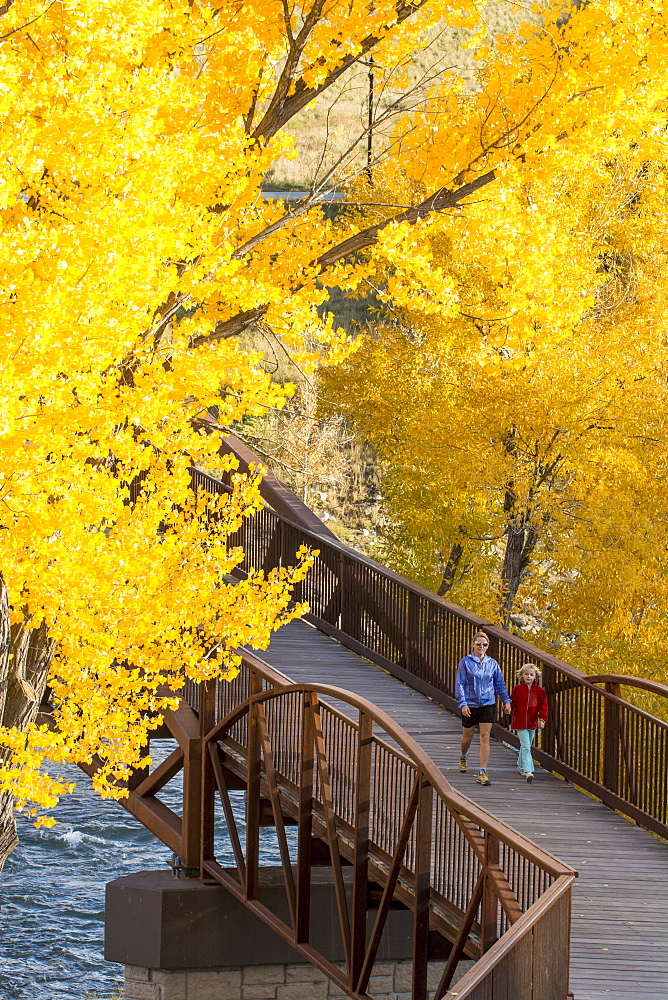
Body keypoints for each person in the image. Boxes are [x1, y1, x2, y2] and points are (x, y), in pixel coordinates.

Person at [456, 631, 511, 786]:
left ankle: (483, 771)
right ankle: (463, 756)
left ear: (488, 646)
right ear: (473, 645)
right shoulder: (465, 662)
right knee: (467, 736)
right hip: (470, 704)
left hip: (488, 703)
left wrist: (506, 700)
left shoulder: (492, 664)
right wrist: (463, 703)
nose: (481, 647)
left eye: (484, 644)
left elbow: (499, 684)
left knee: (485, 736)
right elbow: (460, 683)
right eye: (478, 644)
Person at [510, 662, 548, 783]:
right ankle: (528, 771)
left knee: (525, 745)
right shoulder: (517, 689)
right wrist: (507, 708)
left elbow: (543, 706)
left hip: (532, 722)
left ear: (535, 677)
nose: (529, 676)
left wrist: (542, 719)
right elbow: (512, 703)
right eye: (526, 674)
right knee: (526, 746)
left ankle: (520, 765)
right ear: (522, 676)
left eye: (531, 674)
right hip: (520, 722)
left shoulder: (539, 691)